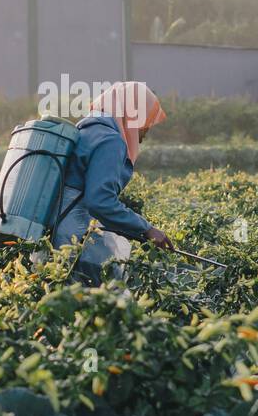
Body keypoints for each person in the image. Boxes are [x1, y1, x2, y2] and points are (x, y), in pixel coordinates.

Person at [52, 81, 174, 283]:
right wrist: (146, 228)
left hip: (55, 232)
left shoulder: (88, 128)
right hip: (73, 239)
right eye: (145, 126)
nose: (143, 136)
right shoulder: (110, 139)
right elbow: (101, 201)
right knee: (107, 299)